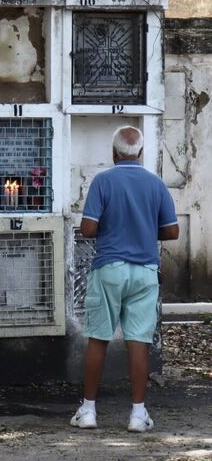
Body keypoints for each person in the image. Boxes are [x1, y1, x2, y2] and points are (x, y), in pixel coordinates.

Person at [70, 126, 179, 432]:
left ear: (114, 152)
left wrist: (111, 225)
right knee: (139, 344)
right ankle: (137, 415)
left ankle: (89, 411)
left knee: (98, 339)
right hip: (144, 271)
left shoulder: (103, 181)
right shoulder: (156, 184)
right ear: (140, 152)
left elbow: (88, 230)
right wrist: (144, 229)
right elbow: (172, 231)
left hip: (109, 268)